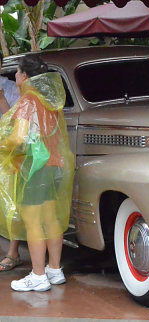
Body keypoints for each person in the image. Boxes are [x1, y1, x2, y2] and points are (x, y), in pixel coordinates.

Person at [0, 55, 74, 291]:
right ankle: (54, 270)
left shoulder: (27, 102)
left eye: (19, 72)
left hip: (34, 169)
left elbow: (18, 138)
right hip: (55, 167)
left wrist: (3, 143)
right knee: (51, 220)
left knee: (33, 222)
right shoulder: (49, 102)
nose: (15, 76)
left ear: (26, 76)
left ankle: (38, 276)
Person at [0, 52, 21, 272]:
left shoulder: (12, 89)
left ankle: (13, 253)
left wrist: (1, 99)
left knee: (11, 202)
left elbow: (15, 123)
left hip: (7, 152)